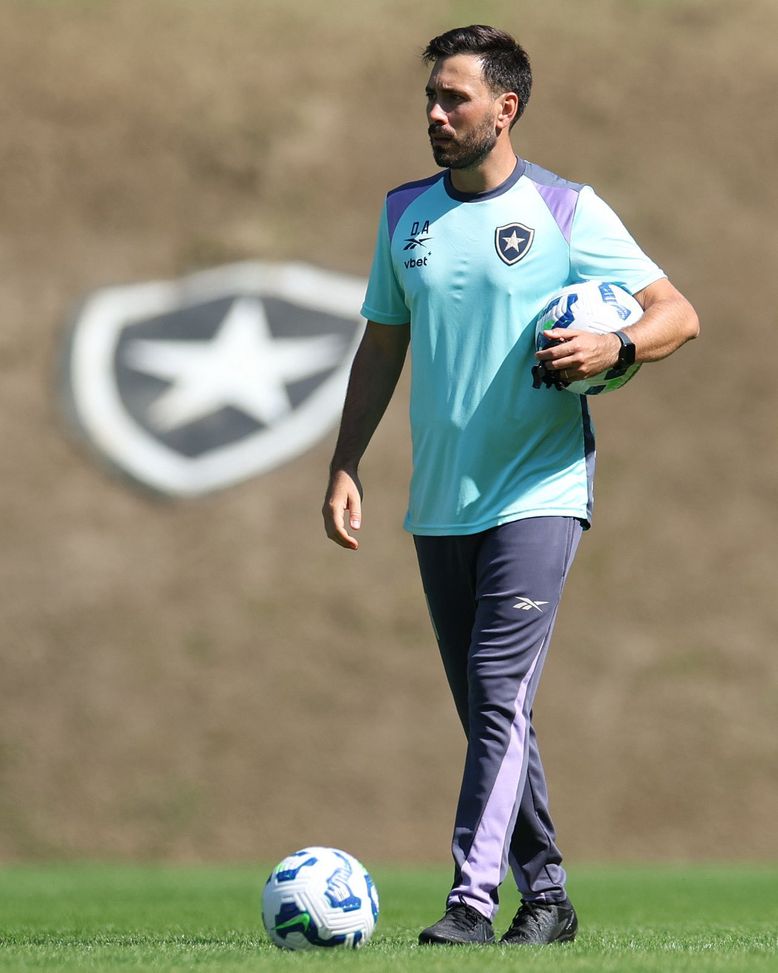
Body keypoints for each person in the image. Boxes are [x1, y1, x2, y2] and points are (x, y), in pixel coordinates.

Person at [322, 24, 698, 947]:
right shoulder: (403, 215)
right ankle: (550, 895)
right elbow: (383, 344)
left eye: (453, 98)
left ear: (505, 108)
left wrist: (615, 346)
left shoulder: (567, 211)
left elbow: (677, 314)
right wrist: (345, 461)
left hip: (540, 490)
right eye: (430, 98)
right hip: (440, 504)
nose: (435, 113)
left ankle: (471, 901)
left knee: (496, 691)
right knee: (494, 712)